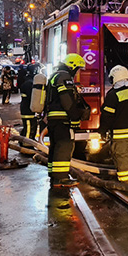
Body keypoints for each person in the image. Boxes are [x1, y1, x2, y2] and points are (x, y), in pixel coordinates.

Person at [45, 53, 89, 186]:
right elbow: (67, 100)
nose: (77, 72)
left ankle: (54, 175)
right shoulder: (64, 77)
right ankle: (61, 178)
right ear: (72, 66)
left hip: (54, 118)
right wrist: (76, 114)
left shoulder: (55, 75)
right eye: (78, 69)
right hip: (62, 119)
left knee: (55, 146)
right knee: (64, 145)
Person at [17, 63, 39, 140]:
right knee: (29, 128)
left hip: (27, 109)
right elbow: (31, 97)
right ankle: (27, 143)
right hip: (28, 110)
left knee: (30, 126)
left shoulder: (27, 81)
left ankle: (25, 141)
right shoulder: (29, 84)